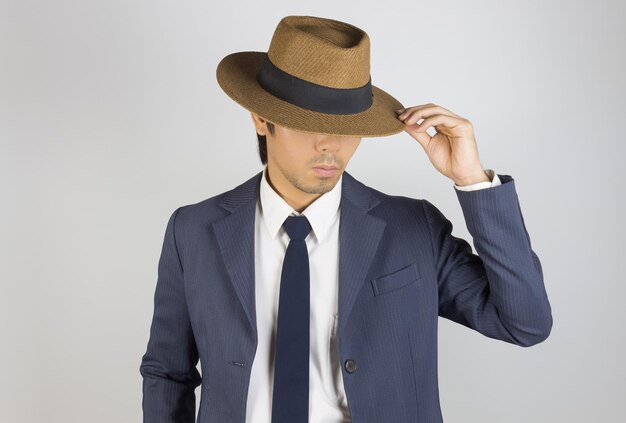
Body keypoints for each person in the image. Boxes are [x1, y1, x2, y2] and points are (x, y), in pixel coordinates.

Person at [139, 15, 552, 423]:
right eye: (310, 123)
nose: (330, 145)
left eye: (347, 126)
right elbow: (166, 373)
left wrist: (473, 181)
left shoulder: (413, 228)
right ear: (261, 119)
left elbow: (525, 323)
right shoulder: (192, 231)